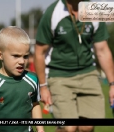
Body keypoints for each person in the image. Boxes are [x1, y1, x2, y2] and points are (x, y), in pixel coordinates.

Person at [34, 0, 114, 132]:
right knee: (69, 127)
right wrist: (43, 87)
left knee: (87, 127)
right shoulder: (52, 12)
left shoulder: (94, 9)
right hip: (59, 75)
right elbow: (39, 53)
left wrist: (112, 84)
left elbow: (102, 50)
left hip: (88, 73)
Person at [0, 26, 44, 132]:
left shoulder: (33, 79)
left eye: (25, 56)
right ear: (0, 55)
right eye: (16, 56)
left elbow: (35, 105)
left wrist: (40, 129)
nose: (22, 61)